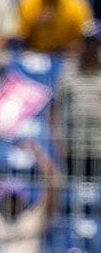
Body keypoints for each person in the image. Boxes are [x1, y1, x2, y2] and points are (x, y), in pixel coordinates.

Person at [53, 19, 101, 179]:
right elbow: (54, 108)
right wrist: (59, 143)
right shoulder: (68, 71)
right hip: (75, 148)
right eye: (88, 42)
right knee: (73, 196)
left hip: (99, 147)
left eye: (95, 43)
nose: (91, 48)